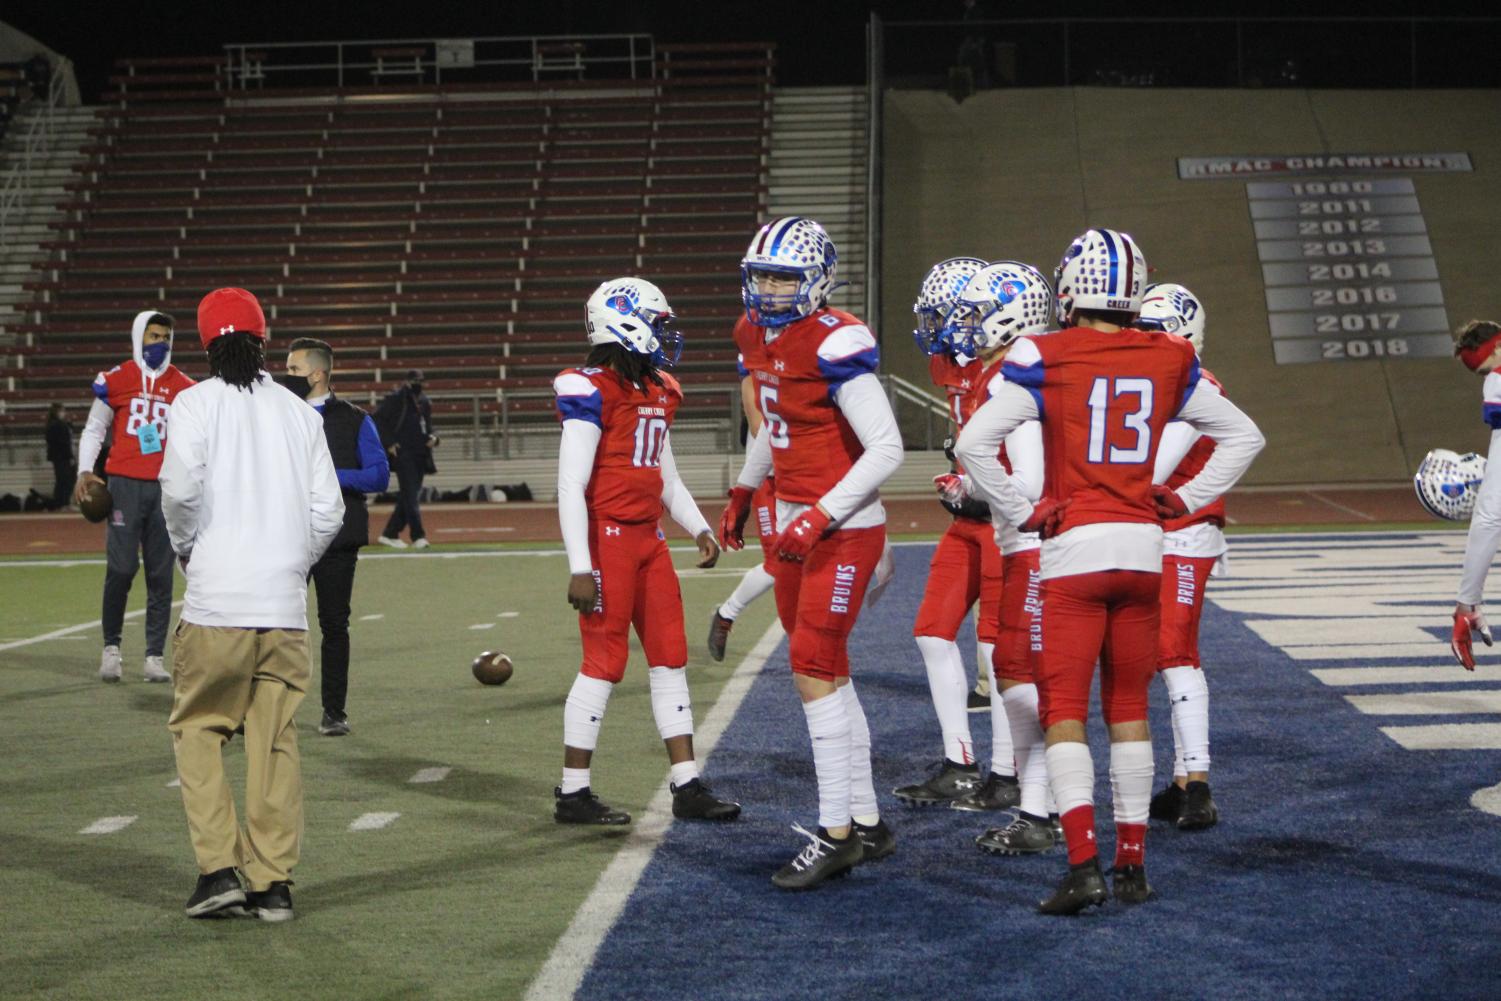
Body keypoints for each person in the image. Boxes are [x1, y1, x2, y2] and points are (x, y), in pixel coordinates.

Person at [956, 228, 1264, 914]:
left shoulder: (1044, 351)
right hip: (1143, 550)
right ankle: (1131, 865)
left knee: (1065, 711)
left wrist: (1020, 507)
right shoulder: (1170, 354)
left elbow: (972, 442)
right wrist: (1182, 498)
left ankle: (1082, 865)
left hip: (1074, 550)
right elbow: (1245, 434)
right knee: (1128, 709)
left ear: (1071, 288)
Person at [721, 216, 904, 889]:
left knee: (809, 662)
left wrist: (822, 511)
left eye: (783, 277)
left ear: (817, 281)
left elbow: (886, 448)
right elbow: (772, 423)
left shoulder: (835, 341)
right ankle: (864, 820)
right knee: (825, 666)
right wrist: (744, 488)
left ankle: (834, 834)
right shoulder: (755, 335)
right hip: (797, 515)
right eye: (762, 274)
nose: (768, 289)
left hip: (845, 522)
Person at [159, 287, 344, 921]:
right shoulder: (299, 413)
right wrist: (293, 561)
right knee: (274, 740)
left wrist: (189, 550)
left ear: (206, 343)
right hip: (283, 606)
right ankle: (273, 883)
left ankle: (218, 873)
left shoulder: (193, 403)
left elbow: (180, 492)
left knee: (199, 731)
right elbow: (330, 510)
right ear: (263, 341)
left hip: (217, 604)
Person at [553, 277, 741, 827]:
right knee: (604, 664)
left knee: (669, 655)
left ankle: (687, 785)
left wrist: (698, 526)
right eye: (657, 324)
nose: (665, 336)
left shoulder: (657, 388)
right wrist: (579, 566)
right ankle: (573, 792)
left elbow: (664, 473)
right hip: (605, 536)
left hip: (648, 538)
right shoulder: (590, 388)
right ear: (624, 323)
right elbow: (570, 484)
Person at [935, 261, 1064, 852]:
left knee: (1031, 677)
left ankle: (1048, 808)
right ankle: (1038, 803)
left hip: (1039, 546)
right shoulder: (1022, 366)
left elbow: (1031, 478)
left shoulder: (1019, 373)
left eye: (976, 313)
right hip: (1030, 545)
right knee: (1016, 672)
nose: (965, 326)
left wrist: (983, 499)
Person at [894, 255, 1013, 809]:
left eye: (950, 315)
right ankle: (960, 762)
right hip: (969, 521)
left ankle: (1009, 774)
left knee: (997, 649)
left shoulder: (1015, 367)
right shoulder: (956, 365)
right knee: (932, 632)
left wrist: (979, 483)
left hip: (1007, 523)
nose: (940, 327)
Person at [1136, 284, 1226, 831]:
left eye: (1154, 332)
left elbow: (1154, 469)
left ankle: (1199, 784)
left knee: (1174, 652)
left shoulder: (1195, 384)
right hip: (1158, 529)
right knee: (1153, 654)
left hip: (1184, 529)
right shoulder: (1162, 381)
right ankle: (1180, 780)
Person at [76, 310, 195, 683]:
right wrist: (84, 469)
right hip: (125, 484)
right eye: (153, 335)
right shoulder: (119, 378)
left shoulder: (185, 387)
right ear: (138, 336)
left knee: (161, 575)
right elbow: (96, 427)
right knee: (123, 568)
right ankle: (111, 647)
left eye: (165, 337)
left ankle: (154, 656)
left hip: (165, 487)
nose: (159, 343)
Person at [282, 337, 389, 737]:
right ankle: (267, 708)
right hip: (286, 532)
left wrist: (328, 476)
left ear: (317, 373)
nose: (286, 376)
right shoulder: (279, 415)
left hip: (337, 536)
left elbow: (378, 475)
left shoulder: (356, 419)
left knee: (333, 625)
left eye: (293, 369)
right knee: (275, 624)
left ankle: (334, 711)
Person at [1446, 319, 1501, 672]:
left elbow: (1490, 518)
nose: (1488, 377)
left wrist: (1466, 604)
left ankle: (1466, 608)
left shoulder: (1498, 378)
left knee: (1488, 515)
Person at [375, 369, 438, 549]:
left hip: (421, 454)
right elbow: (377, 420)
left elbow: (429, 426)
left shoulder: (424, 401)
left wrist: (435, 438)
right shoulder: (396, 399)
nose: (418, 384)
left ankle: (390, 533)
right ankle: (418, 536)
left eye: (420, 380)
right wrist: (389, 443)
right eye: (415, 380)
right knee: (411, 497)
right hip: (404, 454)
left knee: (408, 496)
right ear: (407, 381)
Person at [45, 402, 73, 510]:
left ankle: (61, 502)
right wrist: (70, 456)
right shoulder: (57, 425)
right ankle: (62, 502)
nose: (64, 413)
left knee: (63, 480)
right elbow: (64, 443)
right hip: (62, 457)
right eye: (62, 411)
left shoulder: (54, 424)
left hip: (59, 456)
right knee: (64, 480)